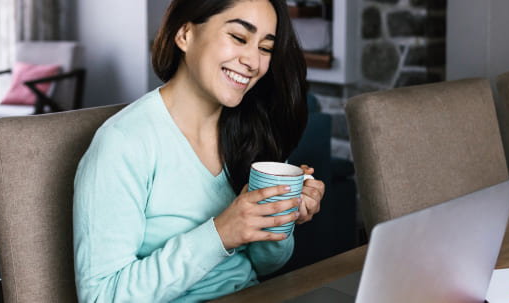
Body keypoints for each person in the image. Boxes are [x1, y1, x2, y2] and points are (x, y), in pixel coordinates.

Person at [72, 0, 324, 302]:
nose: (254, 62)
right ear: (185, 35)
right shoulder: (123, 144)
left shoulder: (254, 131)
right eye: (239, 37)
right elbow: (101, 297)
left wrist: (281, 217)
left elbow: (265, 263)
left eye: (265, 48)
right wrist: (220, 234)